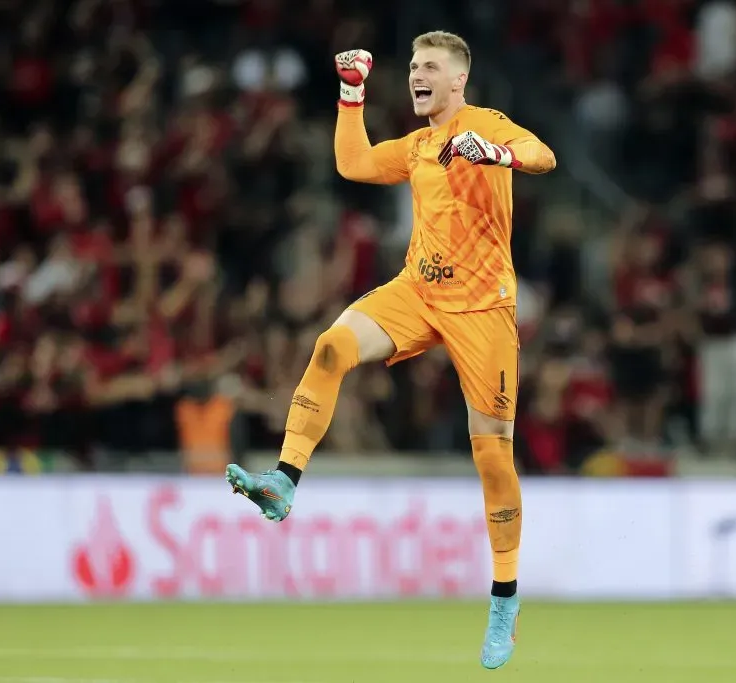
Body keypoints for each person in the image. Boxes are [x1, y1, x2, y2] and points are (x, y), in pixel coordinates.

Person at [225, 31, 556, 669]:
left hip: (484, 311)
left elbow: (542, 155)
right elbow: (353, 165)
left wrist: (497, 154)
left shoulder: (484, 124)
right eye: (411, 67)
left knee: (492, 461)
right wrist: (351, 95)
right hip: (418, 291)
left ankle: (504, 602)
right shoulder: (420, 145)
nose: (415, 76)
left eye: (429, 67)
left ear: (459, 80)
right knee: (330, 348)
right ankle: (285, 480)